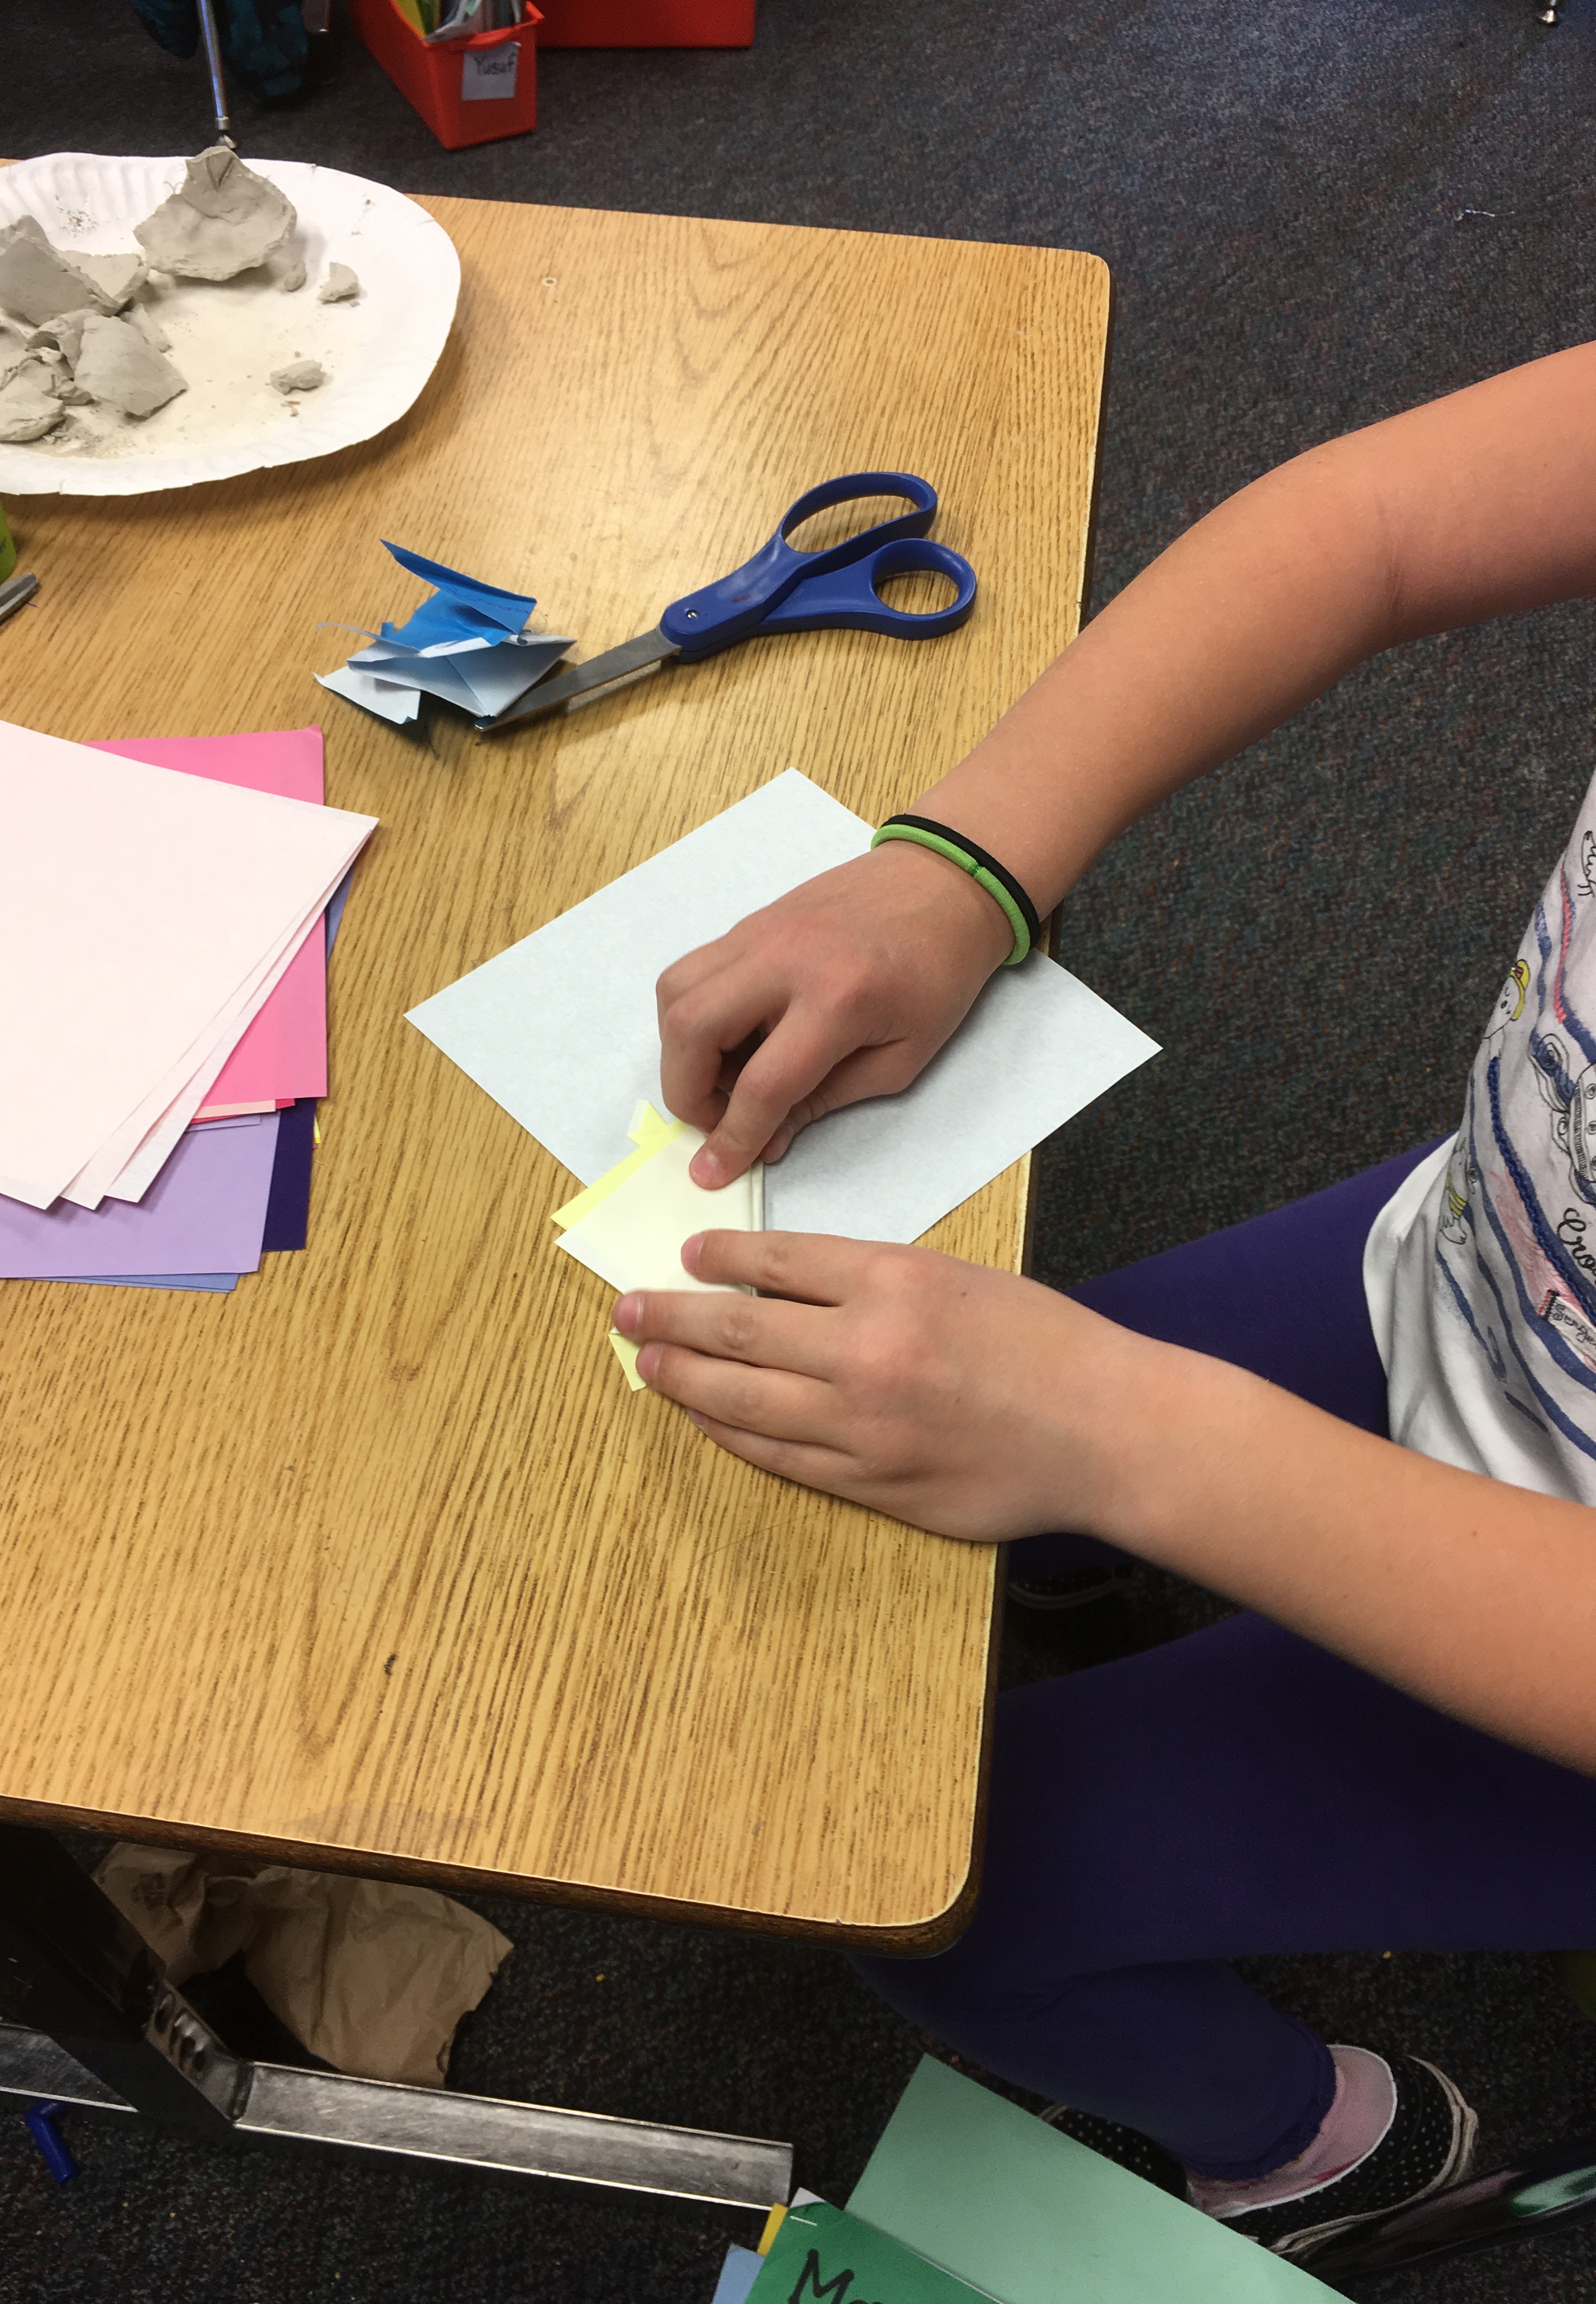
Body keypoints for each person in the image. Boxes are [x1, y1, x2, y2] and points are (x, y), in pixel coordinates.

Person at [610, 342, 1596, 2259]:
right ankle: (1087, 1573)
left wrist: (1138, 1442)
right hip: (1479, 1257)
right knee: (917, 1459)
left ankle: (1321, 2148)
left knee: (927, 1885)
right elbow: (1374, 520)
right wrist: (959, 867)